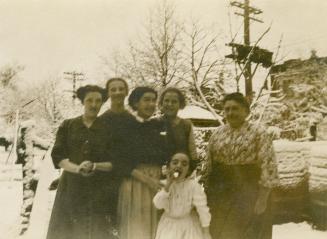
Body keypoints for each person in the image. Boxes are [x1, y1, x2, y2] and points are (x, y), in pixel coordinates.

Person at [206, 92, 279, 239]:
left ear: (246, 111)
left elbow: (268, 165)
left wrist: (262, 198)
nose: (230, 113)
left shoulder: (259, 132)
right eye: (227, 109)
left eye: (235, 108)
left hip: (250, 193)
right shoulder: (217, 134)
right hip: (222, 194)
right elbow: (209, 166)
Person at [46, 85, 116, 239]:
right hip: (71, 185)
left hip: (99, 187)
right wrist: (77, 168)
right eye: (89, 100)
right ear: (82, 102)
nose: (93, 104)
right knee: (69, 230)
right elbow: (58, 157)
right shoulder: (68, 125)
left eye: (98, 101)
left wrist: (95, 166)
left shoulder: (108, 129)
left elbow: (114, 161)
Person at [117, 86, 170, 239]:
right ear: (135, 103)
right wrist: (147, 180)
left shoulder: (160, 126)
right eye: (146, 100)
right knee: (137, 230)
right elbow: (121, 163)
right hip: (135, 184)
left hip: (157, 183)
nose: (151, 104)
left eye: (154, 100)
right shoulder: (126, 127)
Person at [98, 77, 136, 227]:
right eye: (113, 89)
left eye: (121, 89)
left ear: (126, 92)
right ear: (108, 93)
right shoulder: (101, 120)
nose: (117, 92)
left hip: (127, 178)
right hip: (105, 179)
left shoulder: (133, 121)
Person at [153, 152, 212, 239]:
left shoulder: (193, 186)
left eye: (184, 164)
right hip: (168, 226)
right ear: (169, 166)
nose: (179, 166)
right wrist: (168, 185)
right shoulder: (164, 184)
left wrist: (206, 232)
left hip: (187, 226)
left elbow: (203, 209)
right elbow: (158, 204)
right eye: (175, 162)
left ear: (188, 170)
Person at [158, 87, 197, 161]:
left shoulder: (186, 125)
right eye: (166, 100)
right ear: (161, 103)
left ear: (180, 104)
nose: (170, 104)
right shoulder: (154, 123)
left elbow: (193, 154)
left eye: (174, 101)